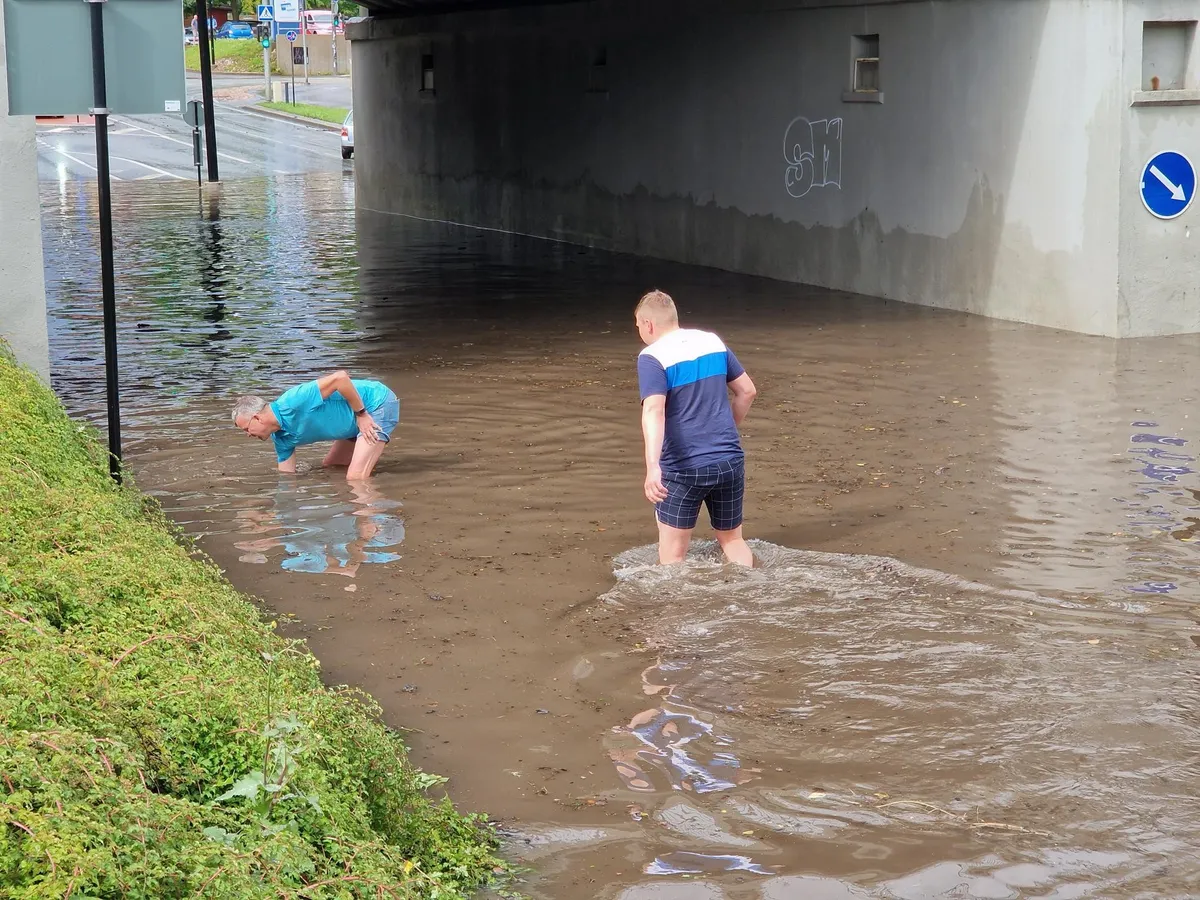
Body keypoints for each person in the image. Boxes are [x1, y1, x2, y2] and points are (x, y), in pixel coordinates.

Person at [635, 290, 757, 565]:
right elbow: (747, 392)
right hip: (729, 460)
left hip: (683, 468)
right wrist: (726, 430)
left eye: (638, 326)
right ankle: (749, 593)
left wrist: (653, 467)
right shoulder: (712, 342)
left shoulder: (652, 356)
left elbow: (654, 411)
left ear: (648, 324)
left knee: (674, 555)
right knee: (733, 540)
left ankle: (678, 607)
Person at [231, 370, 399, 480]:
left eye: (246, 429)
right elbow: (287, 478)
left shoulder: (292, 401)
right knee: (332, 467)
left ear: (257, 417)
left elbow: (340, 378)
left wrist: (361, 414)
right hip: (351, 423)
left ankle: (374, 528)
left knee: (355, 479)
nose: (248, 434)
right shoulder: (281, 439)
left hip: (375, 404)